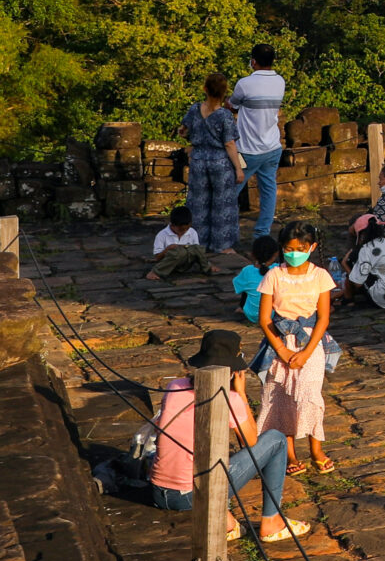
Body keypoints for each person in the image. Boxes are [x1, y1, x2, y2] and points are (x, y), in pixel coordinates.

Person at [91, 328, 309, 544]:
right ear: (233, 369)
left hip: (158, 490)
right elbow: (250, 442)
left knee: (204, 450)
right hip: (190, 495)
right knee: (276, 439)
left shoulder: (174, 386)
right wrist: (241, 394)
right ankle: (272, 521)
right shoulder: (230, 399)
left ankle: (227, 522)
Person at [257, 220, 335, 473]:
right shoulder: (274, 275)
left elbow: (323, 317)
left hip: (310, 341)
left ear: (311, 247)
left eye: (300, 248)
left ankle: (316, 449)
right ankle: (289, 455)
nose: (294, 254)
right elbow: (265, 319)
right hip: (278, 340)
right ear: (282, 248)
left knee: (311, 396)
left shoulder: (321, 275)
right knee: (280, 398)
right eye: (289, 249)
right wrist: (282, 350)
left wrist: (306, 353)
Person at [179, 71, 246, 260]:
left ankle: (197, 241)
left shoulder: (194, 109)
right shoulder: (224, 116)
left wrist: (185, 133)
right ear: (225, 92)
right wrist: (238, 169)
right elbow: (229, 143)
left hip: (199, 159)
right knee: (223, 204)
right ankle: (222, 244)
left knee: (198, 202)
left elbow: (184, 130)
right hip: (220, 161)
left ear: (205, 89)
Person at [230, 43, 287, 241]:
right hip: (272, 146)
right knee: (268, 191)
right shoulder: (280, 81)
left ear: (253, 61)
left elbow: (232, 105)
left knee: (230, 191)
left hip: (248, 150)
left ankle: (227, 232)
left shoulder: (245, 83)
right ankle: (262, 233)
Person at [146, 205, 205, 280]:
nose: (184, 231)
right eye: (181, 230)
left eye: (186, 229)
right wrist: (168, 249)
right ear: (172, 225)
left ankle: (207, 268)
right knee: (177, 252)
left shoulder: (192, 232)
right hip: (168, 265)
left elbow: (197, 251)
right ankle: (154, 272)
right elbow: (157, 258)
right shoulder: (162, 235)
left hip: (185, 264)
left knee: (198, 249)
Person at [231, 235, 280, 322]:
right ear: (275, 254)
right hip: (272, 315)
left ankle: (241, 308)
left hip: (251, 314)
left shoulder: (247, 270)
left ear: (252, 254)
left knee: (246, 288)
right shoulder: (278, 269)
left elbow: (238, 286)